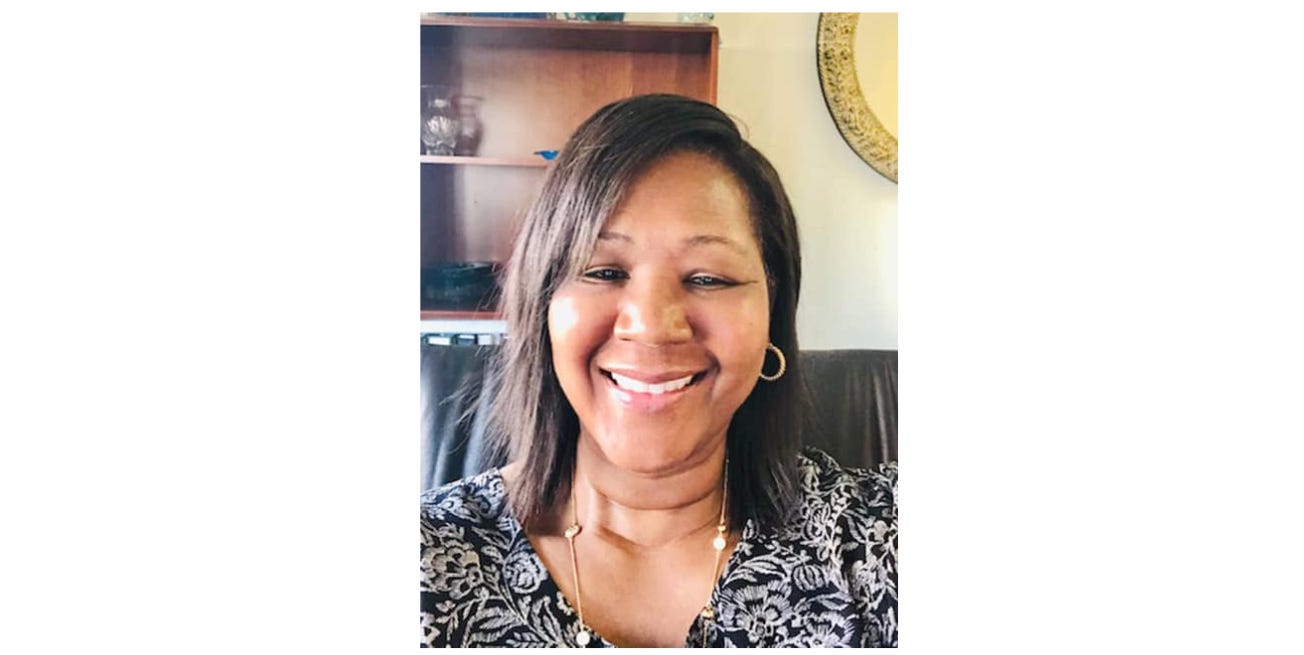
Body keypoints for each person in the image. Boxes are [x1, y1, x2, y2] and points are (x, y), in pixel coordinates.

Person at [420, 93, 897, 648]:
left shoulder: (877, 540)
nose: (651, 326)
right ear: (543, 306)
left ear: (773, 313)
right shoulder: (427, 561)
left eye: (709, 278)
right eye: (603, 272)